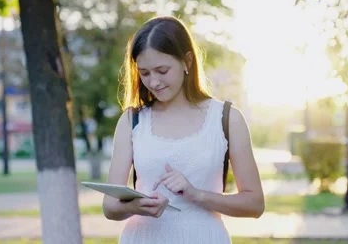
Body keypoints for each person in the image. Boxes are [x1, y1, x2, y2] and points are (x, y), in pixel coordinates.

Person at [102, 16, 264, 244]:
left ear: (187, 61)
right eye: (145, 73)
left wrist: (196, 194)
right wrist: (139, 206)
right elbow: (110, 207)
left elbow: (255, 204)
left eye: (162, 70)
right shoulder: (132, 120)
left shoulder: (226, 119)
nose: (154, 82)